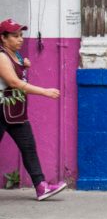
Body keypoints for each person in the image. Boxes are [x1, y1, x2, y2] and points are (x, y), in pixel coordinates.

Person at [0, 19, 68, 201]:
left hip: (15, 112)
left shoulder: (16, 56)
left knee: (29, 148)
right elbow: (14, 83)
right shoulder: (1, 56)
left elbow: (17, 73)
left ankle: (41, 187)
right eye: (15, 36)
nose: (20, 39)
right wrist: (44, 91)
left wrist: (24, 64)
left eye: (21, 35)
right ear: (3, 38)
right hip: (1, 111)